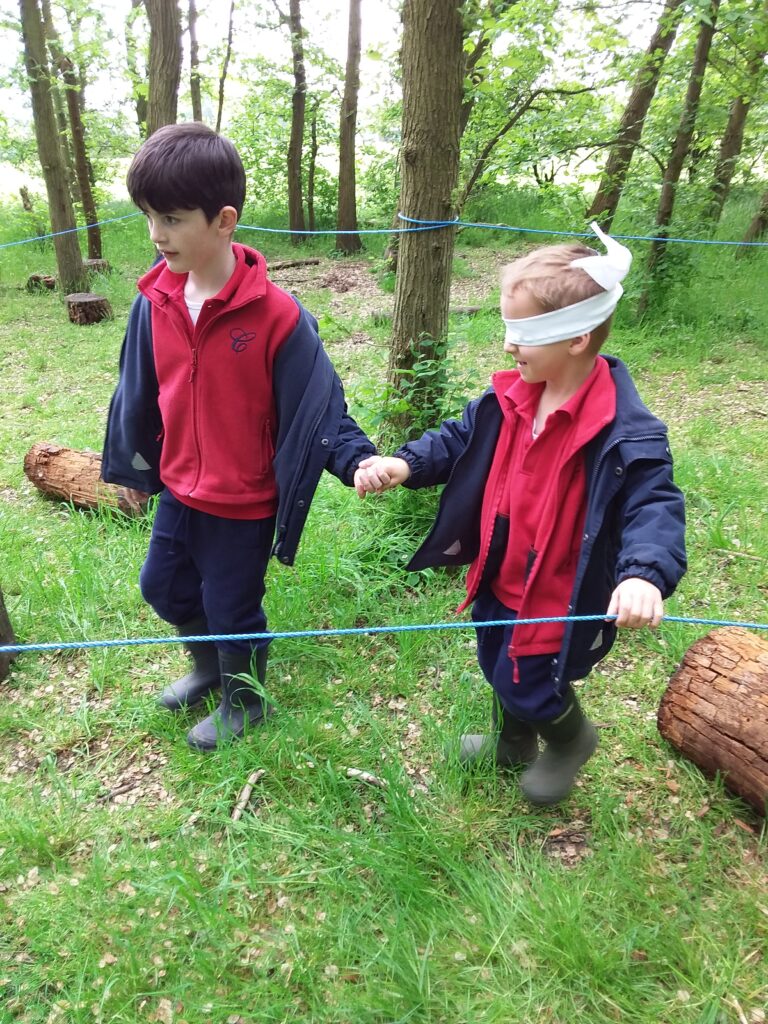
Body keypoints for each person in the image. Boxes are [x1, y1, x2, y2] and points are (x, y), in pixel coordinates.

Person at [354, 224, 686, 805]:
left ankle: (570, 741)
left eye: (524, 333)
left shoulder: (626, 433)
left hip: (560, 593)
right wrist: (406, 464)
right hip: (500, 572)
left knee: (532, 680)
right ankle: (515, 745)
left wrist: (643, 574)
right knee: (496, 660)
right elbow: (459, 439)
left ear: (576, 338)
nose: (508, 346)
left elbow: (653, 504)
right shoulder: (510, 397)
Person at [102, 122, 376, 752]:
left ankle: (244, 698)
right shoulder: (155, 299)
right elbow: (139, 393)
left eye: (171, 218)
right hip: (180, 487)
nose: (155, 234)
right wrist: (139, 468)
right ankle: (206, 667)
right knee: (161, 587)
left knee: (234, 608)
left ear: (224, 220)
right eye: (148, 215)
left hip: (242, 501)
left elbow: (319, 407)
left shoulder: (277, 316)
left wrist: (358, 460)